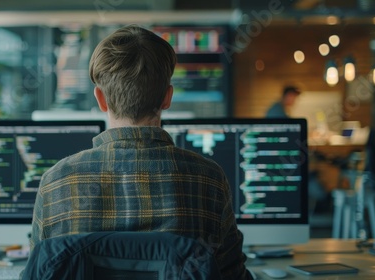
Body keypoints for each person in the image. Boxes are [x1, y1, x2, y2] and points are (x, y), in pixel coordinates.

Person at [29, 25, 251, 279]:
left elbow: (39, 272)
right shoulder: (209, 178)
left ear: (100, 99)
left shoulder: (55, 182)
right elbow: (232, 276)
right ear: (167, 98)